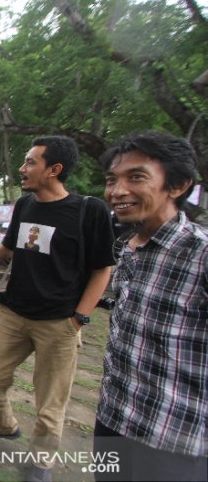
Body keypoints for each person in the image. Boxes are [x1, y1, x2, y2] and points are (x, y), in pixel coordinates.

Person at [0, 136, 115, 482]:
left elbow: (102, 269)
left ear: (54, 170)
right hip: (14, 314)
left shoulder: (88, 210)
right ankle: (3, 427)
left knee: (50, 402)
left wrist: (80, 317)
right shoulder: (25, 205)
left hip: (60, 322)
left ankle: (42, 462)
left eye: (31, 162)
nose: (23, 168)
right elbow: (9, 247)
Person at [94, 131, 207, 482]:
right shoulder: (128, 248)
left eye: (136, 177)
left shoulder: (201, 253)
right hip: (113, 420)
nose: (117, 191)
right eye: (112, 180)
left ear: (178, 185)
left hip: (174, 443)